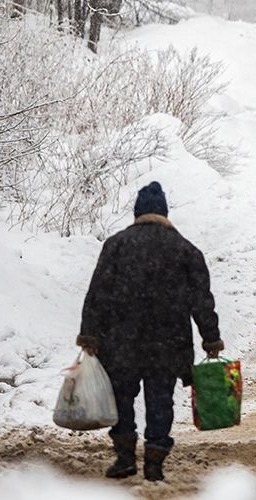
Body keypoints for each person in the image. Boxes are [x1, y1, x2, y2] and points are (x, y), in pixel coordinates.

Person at [77, 181, 224, 482]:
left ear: (138, 213)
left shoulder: (116, 245)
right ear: (164, 213)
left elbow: (97, 294)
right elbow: (202, 300)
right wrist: (210, 337)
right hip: (167, 342)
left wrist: (90, 334)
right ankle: (155, 461)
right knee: (160, 399)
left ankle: (125, 457)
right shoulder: (185, 250)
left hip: (122, 341)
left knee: (121, 397)